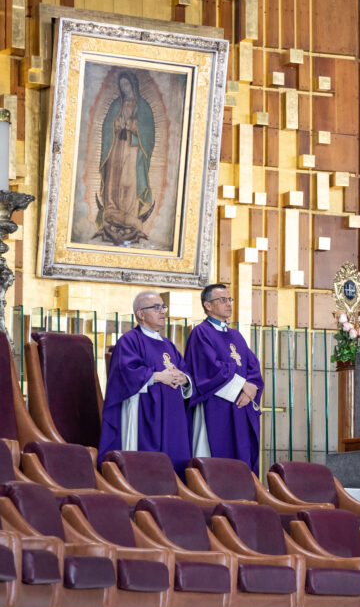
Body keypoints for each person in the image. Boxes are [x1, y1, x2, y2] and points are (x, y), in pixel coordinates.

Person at [98, 290, 192, 473]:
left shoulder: (168, 344)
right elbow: (125, 373)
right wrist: (157, 376)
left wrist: (184, 379)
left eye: (163, 307)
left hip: (172, 416)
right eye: (156, 307)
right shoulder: (130, 341)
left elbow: (183, 369)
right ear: (141, 314)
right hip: (144, 412)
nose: (163, 311)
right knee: (147, 467)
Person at [183, 284, 264, 473]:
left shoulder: (236, 335)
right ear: (208, 305)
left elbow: (252, 365)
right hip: (215, 405)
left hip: (239, 405)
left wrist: (252, 387)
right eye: (223, 300)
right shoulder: (200, 333)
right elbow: (208, 369)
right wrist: (243, 384)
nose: (229, 304)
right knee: (214, 460)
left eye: (230, 299)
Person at [95, 71, 155, 246]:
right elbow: (107, 126)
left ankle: (129, 214)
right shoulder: (116, 105)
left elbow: (149, 132)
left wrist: (134, 127)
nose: (124, 89)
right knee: (114, 180)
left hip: (132, 149)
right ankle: (112, 210)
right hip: (116, 148)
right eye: (122, 86)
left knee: (129, 181)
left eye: (127, 85)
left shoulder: (143, 107)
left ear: (133, 85)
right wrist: (115, 125)